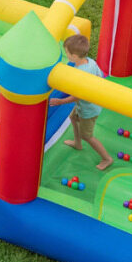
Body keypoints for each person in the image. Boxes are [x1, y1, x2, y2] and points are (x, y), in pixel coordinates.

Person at [48, 34, 113, 171]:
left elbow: (78, 96)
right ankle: (77, 143)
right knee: (73, 117)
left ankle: (107, 158)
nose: (66, 54)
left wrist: (60, 101)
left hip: (89, 110)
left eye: (67, 52)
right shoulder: (90, 62)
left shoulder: (81, 74)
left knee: (87, 136)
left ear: (74, 56)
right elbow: (100, 76)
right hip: (88, 104)